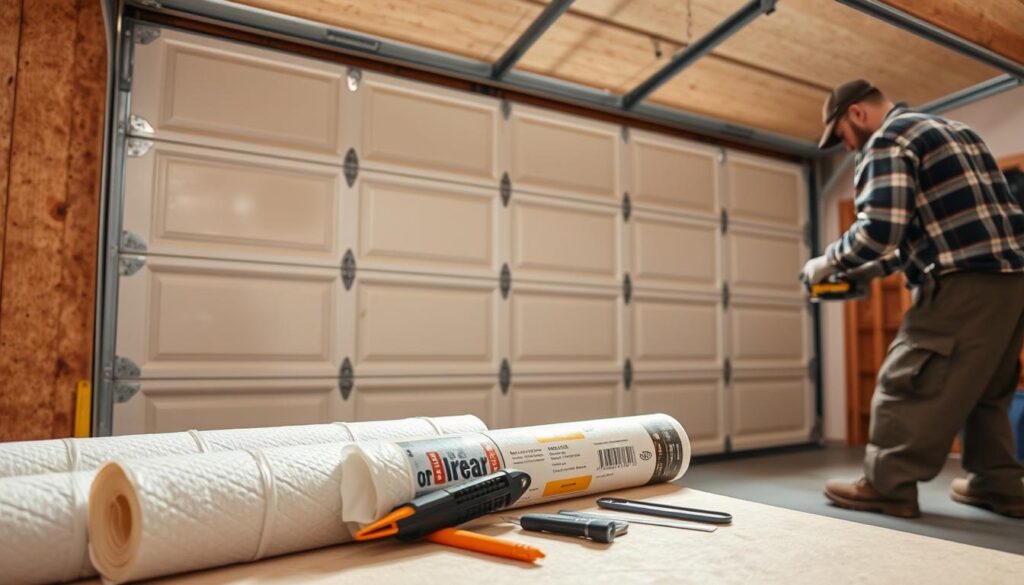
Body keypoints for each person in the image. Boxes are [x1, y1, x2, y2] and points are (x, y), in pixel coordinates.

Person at [803, 79, 1024, 518]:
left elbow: (880, 230)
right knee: (985, 389)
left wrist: (826, 263)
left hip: (963, 284)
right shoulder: (957, 132)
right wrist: (862, 270)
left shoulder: (889, 138)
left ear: (857, 114)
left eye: (842, 136)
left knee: (907, 380)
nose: (846, 147)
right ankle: (997, 483)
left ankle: (887, 485)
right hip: (1012, 282)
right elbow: (919, 233)